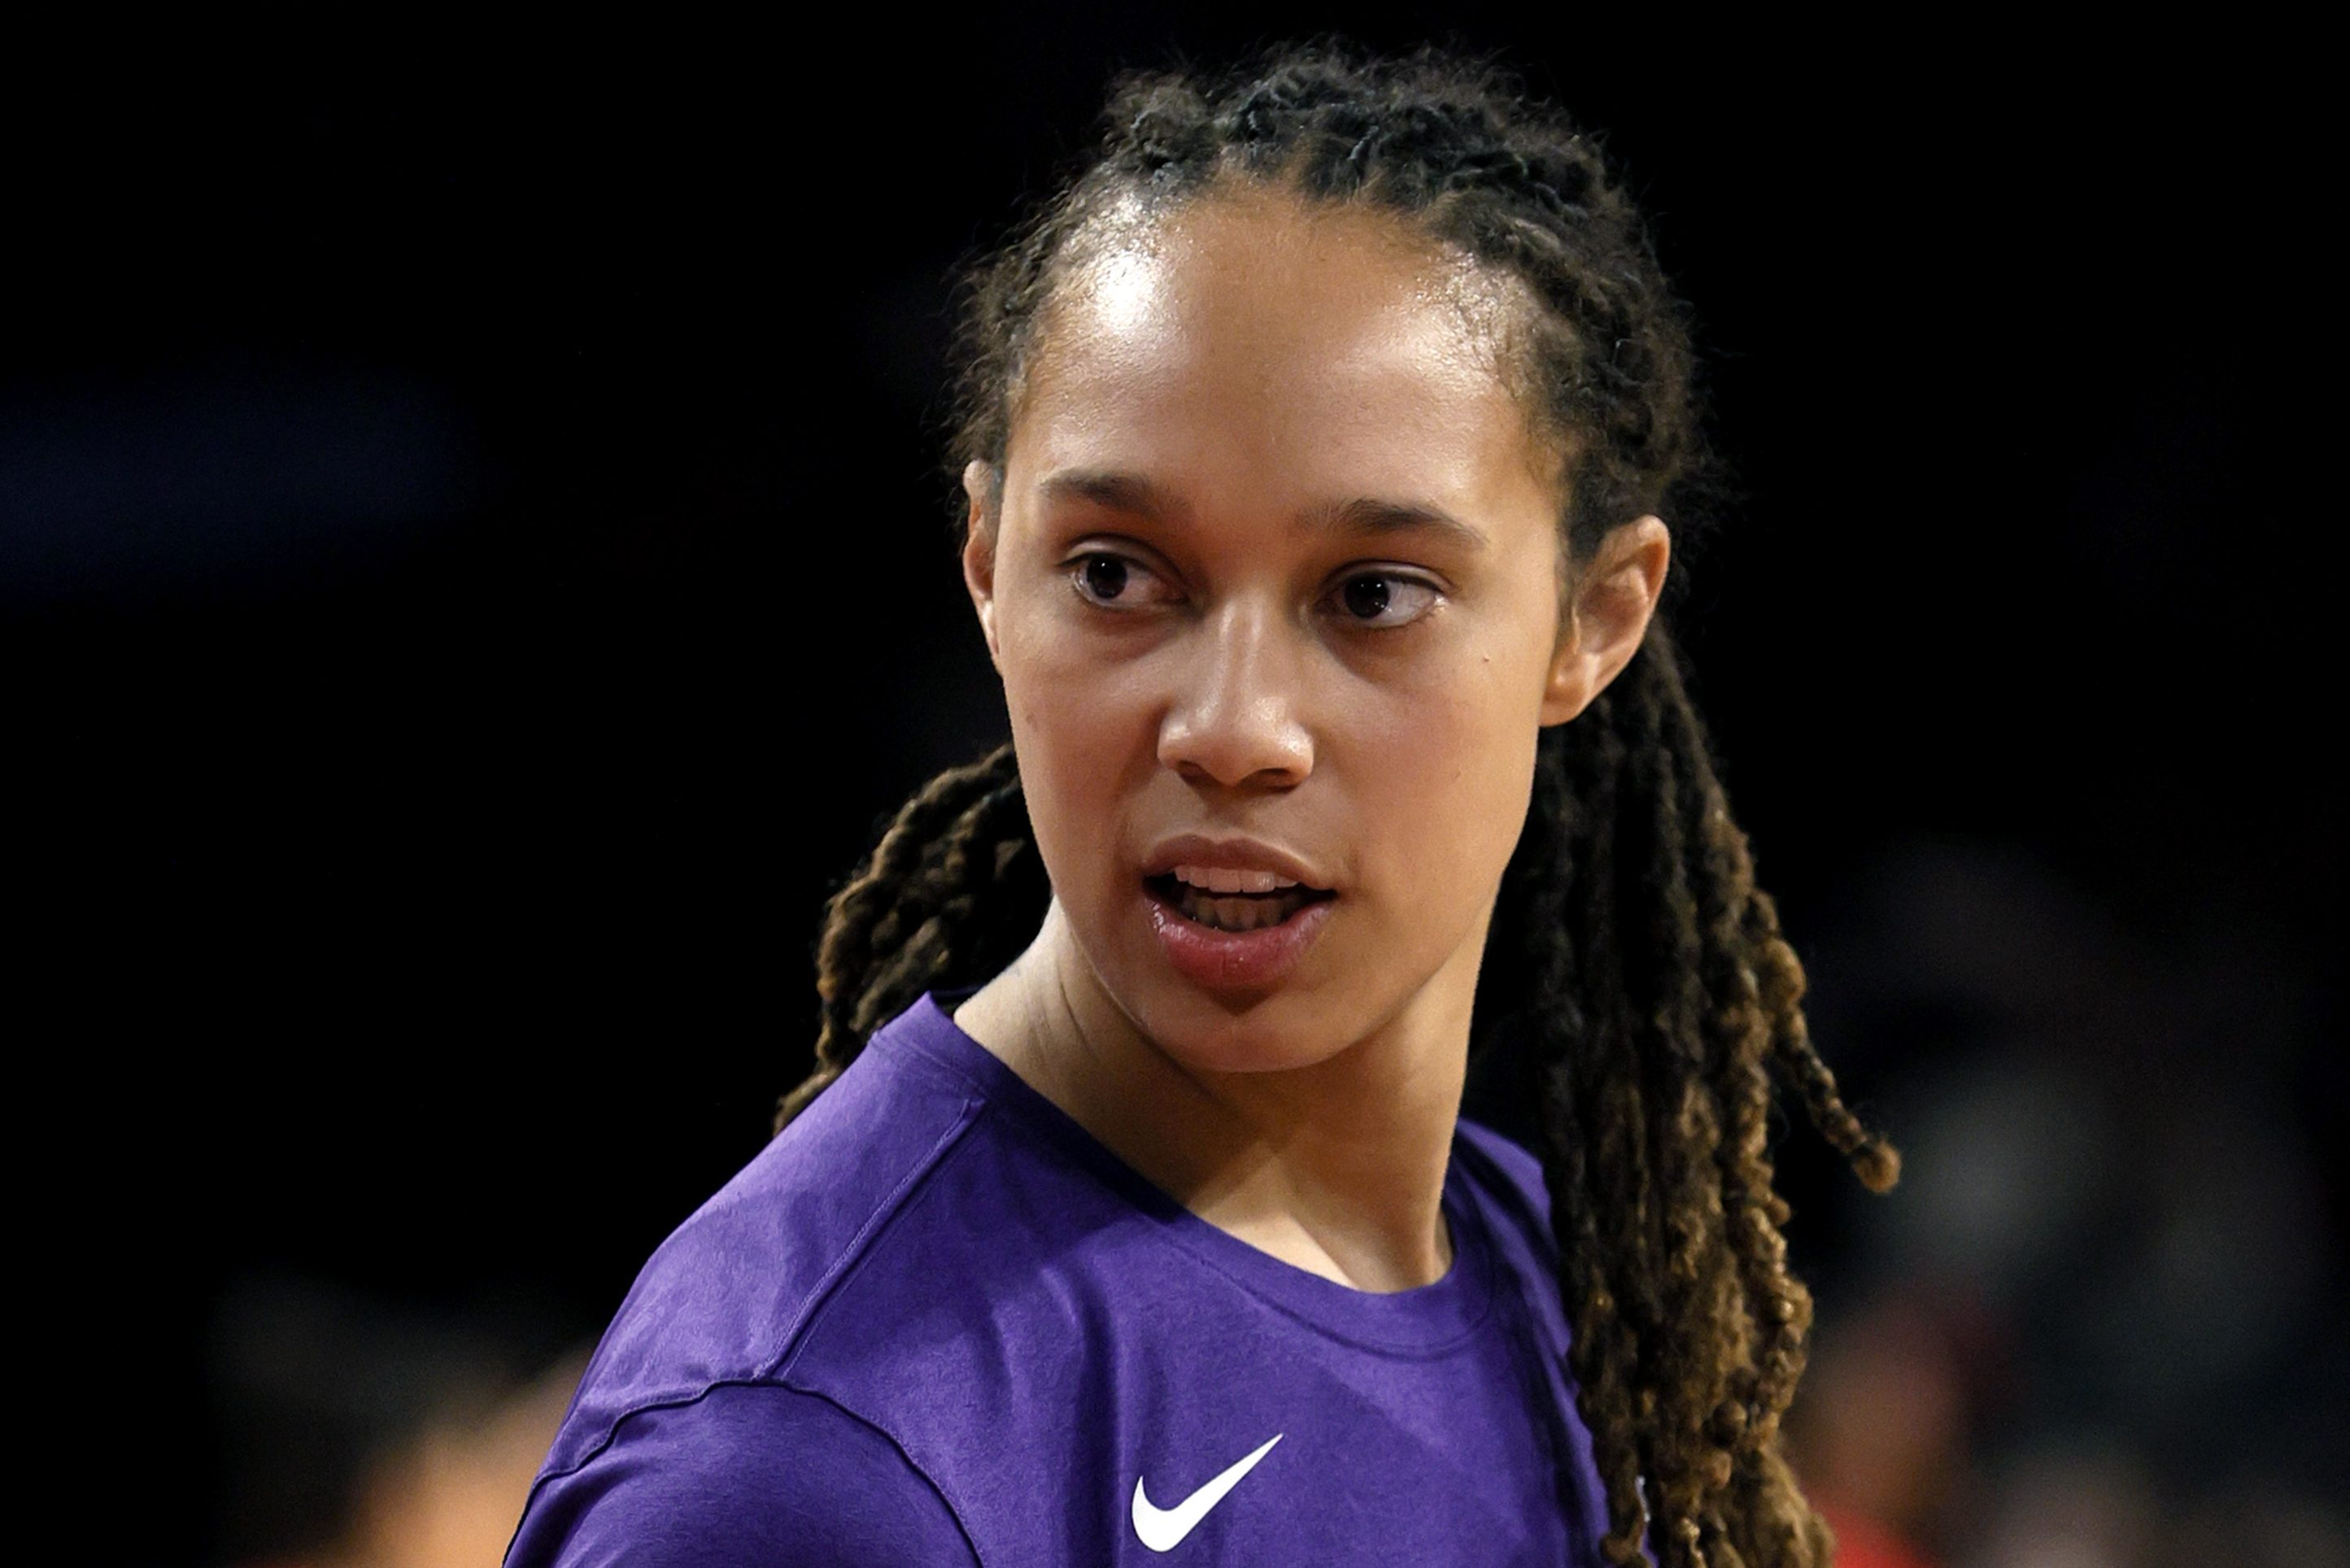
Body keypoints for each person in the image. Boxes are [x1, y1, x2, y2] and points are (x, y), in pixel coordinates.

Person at [505, 41, 1899, 1568]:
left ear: (1595, 619)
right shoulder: (801, 1469)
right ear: (985, 566)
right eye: (1113, 574)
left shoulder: (1578, 1303)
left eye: (1373, 596)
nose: (1233, 731)